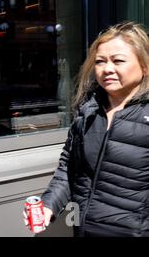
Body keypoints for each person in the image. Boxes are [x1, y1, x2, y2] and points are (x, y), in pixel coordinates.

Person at [23, 22, 149, 237]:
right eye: (100, 62)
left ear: (144, 66)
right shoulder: (89, 110)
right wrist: (48, 205)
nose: (107, 69)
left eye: (118, 60)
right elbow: (69, 168)